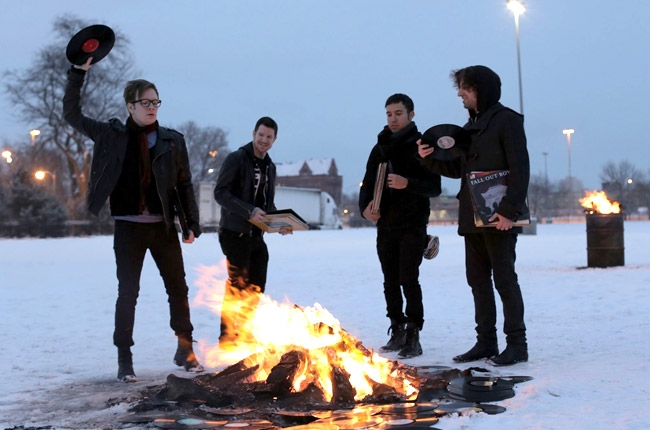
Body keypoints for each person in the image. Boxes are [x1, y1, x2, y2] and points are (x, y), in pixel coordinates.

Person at [63, 57, 204, 382]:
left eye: (156, 102)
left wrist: (191, 223)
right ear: (130, 106)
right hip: (128, 228)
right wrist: (78, 74)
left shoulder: (172, 140)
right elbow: (72, 114)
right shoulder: (111, 135)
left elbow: (184, 184)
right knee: (128, 292)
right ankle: (124, 359)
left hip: (163, 228)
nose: (152, 107)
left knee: (178, 289)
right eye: (145, 102)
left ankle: (185, 350)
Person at [418, 65, 530, 366]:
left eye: (465, 88)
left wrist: (508, 211)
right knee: (477, 282)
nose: (460, 94)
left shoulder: (507, 121)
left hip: (499, 218)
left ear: (482, 89)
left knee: (505, 281)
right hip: (472, 217)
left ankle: (517, 345)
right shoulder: (468, 128)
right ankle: (486, 343)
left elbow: (520, 169)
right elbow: (459, 169)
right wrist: (429, 159)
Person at [359, 93, 442, 359]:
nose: (393, 119)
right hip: (386, 224)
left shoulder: (422, 145)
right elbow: (367, 183)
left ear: (411, 115)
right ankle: (396, 328)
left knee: (409, 279)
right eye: (389, 114)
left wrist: (408, 184)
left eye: (398, 113)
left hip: (413, 223)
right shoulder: (379, 147)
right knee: (390, 280)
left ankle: (413, 333)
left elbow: (435, 187)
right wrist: (365, 209)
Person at [214, 116, 292, 349]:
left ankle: (245, 331)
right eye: (261, 135)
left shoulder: (270, 167)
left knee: (257, 285)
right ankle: (227, 337)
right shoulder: (237, 159)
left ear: (274, 139)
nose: (264, 140)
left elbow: (267, 205)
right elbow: (221, 193)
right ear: (253, 134)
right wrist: (249, 211)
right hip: (233, 232)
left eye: (269, 137)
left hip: (256, 235)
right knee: (237, 285)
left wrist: (279, 222)